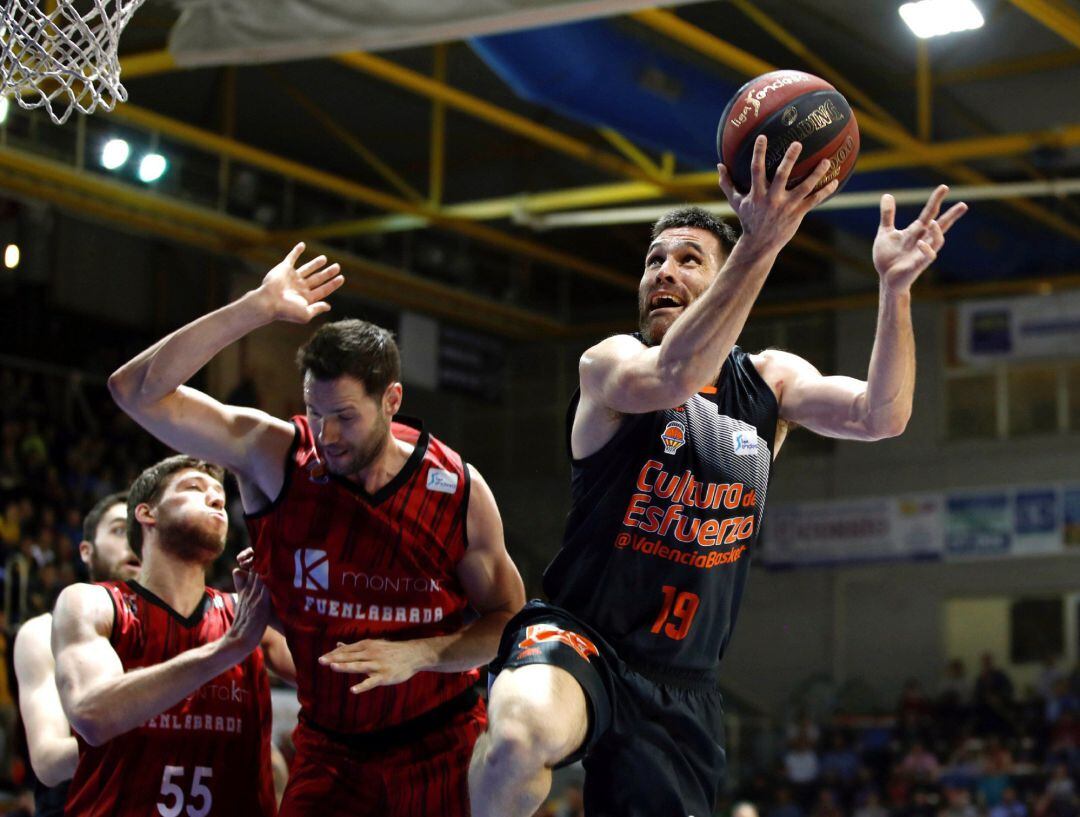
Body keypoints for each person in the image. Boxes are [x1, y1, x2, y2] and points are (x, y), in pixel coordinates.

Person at [469, 135, 968, 817]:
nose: (664, 272)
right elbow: (675, 372)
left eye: (688, 259)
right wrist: (765, 240)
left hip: (684, 680)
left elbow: (882, 415)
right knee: (520, 738)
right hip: (582, 639)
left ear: (726, 274)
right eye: (654, 261)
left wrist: (895, 290)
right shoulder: (613, 363)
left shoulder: (769, 381)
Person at [107, 249, 525, 817]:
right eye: (314, 410)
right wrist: (256, 309)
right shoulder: (274, 455)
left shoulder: (456, 488)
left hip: (441, 742)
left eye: (345, 416)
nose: (326, 434)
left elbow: (508, 623)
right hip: (330, 749)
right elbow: (136, 391)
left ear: (392, 400)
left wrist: (421, 654)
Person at [51, 456, 285, 816]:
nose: (216, 499)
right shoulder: (94, 602)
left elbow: (344, 678)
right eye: (194, 488)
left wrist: (297, 593)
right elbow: (92, 715)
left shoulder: (248, 610)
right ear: (147, 514)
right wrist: (227, 649)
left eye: (220, 495)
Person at [14, 492, 140, 817]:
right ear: (86, 550)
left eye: (144, 531)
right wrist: (155, 731)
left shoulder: (181, 630)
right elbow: (48, 761)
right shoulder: (42, 632)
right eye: (119, 529)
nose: (136, 542)